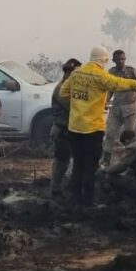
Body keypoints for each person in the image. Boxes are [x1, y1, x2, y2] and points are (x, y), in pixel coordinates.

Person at [59, 45, 136, 207]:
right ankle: (87, 202)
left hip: (75, 128)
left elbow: (63, 93)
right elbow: (123, 83)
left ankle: (74, 199)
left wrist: (79, 104)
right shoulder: (101, 76)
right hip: (92, 129)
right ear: (105, 60)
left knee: (78, 164)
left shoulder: (76, 73)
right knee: (90, 166)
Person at [102, 49, 136, 166]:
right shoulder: (111, 72)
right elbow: (110, 89)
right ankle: (106, 161)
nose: (121, 62)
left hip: (130, 109)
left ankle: (131, 164)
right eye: (118, 60)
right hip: (116, 109)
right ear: (113, 60)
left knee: (130, 138)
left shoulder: (132, 71)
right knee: (109, 134)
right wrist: (105, 100)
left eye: (123, 59)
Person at [50, 58, 82, 200]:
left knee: (68, 161)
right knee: (62, 162)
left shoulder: (67, 86)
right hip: (63, 130)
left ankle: (66, 188)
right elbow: (73, 108)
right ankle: (55, 191)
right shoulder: (62, 89)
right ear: (70, 71)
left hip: (68, 129)